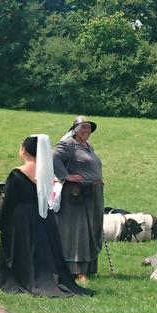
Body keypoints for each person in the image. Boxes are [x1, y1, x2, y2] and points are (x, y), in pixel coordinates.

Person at [0, 135, 93, 297]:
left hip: (22, 219)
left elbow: (9, 202)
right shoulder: (47, 171)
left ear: (24, 150)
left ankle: (23, 277)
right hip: (43, 217)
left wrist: (2, 222)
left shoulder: (17, 174)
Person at [52, 116, 105, 282]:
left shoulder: (88, 146)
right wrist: (66, 176)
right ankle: (76, 270)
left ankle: (88, 268)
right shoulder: (68, 144)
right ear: (75, 129)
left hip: (92, 193)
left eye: (89, 127)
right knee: (79, 231)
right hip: (77, 195)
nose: (87, 130)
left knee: (92, 229)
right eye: (83, 127)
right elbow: (53, 157)